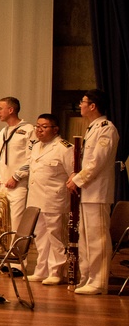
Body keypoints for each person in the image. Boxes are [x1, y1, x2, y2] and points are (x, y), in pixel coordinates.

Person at [66, 90, 120, 295]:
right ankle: (87, 276)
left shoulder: (107, 128)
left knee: (97, 238)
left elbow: (98, 161)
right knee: (86, 238)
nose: (80, 105)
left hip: (97, 192)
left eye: (83, 102)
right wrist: (74, 176)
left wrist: (78, 180)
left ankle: (99, 281)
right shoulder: (91, 128)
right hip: (86, 191)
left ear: (93, 106)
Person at [26, 114, 73, 284]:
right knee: (40, 236)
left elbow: (72, 174)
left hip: (54, 198)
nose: (39, 130)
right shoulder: (36, 146)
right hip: (36, 198)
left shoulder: (64, 147)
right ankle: (41, 269)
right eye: (37, 126)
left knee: (55, 236)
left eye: (44, 127)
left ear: (55, 129)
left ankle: (57, 271)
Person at [0, 97, 32, 231]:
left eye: (0, 108)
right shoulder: (3, 131)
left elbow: (31, 159)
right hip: (2, 184)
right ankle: (1, 251)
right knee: (0, 223)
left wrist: (16, 177)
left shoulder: (28, 130)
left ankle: (15, 251)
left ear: (11, 110)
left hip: (18, 185)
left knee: (15, 222)